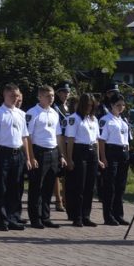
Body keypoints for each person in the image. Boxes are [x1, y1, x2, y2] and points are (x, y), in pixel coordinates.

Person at [0, 84, 30, 231]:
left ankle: (14, 217)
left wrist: (28, 157)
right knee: (1, 188)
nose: (15, 98)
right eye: (12, 95)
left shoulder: (21, 114)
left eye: (17, 96)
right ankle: (2, 220)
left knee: (16, 187)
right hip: (3, 153)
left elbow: (25, 137)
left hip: (17, 153)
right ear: (5, 95)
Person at [24, 86, 66, 229]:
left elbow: (58, 136)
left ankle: (45, 216)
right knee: (36, 187)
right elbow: (27, 136)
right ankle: (35, 218)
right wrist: (31, 156)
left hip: (52, 152)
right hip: (38, 151)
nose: (51, 98)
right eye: (47, 96)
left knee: (48, 187)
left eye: (52, 95)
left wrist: (61, 155)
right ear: (39, 97)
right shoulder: (32, 113)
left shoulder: (54, 113)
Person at [64, 92, 101, 228]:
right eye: (87, 105)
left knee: (90, 186)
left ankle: (86, 215)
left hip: (92, 153)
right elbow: (70, 140)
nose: (89, 108)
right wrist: (69, 158)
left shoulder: (93, 119)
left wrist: (98, 158)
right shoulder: (74, 119)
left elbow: (96, 140)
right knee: (79, 186)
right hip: (79, 151)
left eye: (92, 106)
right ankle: (77, 216)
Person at [97, 90, 131, 226]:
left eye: (123, 105)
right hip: (111, 153)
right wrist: (103, 157)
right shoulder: (106, 120)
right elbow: (102, 141)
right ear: (111, 105)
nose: (121, 108)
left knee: (120, 186)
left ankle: (119, 214)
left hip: (123, 153)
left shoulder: (123, 121)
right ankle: (109, 215)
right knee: (110, 186)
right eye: (118, 105)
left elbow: (126, 140)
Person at [52, 83, 72, 213]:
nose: (66, 94)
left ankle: (66, 198)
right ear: (58, 93)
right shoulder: (56, 108)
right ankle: (58, 200)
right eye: (63, 92)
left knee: (66, 173)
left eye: (68, 92)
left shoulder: (69, 107)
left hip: (68, 142)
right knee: (58, 173)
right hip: (59, 141)